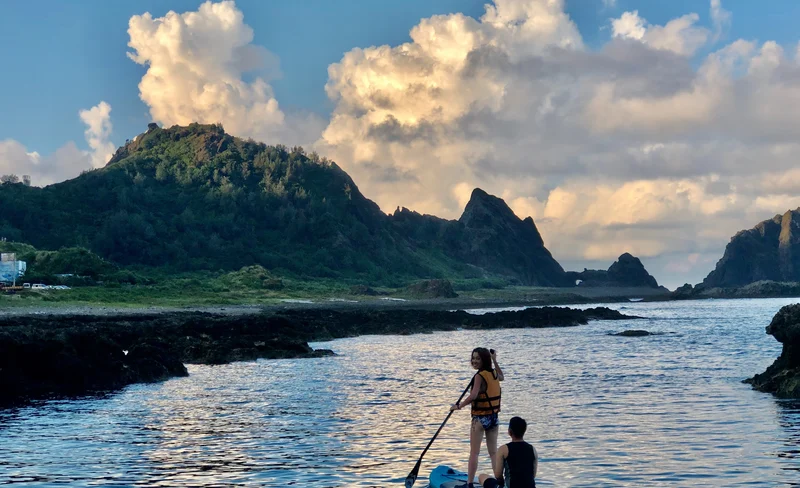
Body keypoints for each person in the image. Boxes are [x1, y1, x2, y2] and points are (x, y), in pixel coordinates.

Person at [450, 347, 504, 487]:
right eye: (473, 358)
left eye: (478, 358)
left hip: (480, 419)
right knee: (493, 453)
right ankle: (499, 481)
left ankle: (469, 484)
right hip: (493, 418)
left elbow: (473, 396)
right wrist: (495, 361)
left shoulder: (479, 377)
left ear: (484, 360)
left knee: (474, 453)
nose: (474, 361)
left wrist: (459, 406)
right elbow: (502, 376)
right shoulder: (493, 373)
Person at [477, 416, 538, 488]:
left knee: (482, 477)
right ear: (524, 431)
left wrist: (501, 483)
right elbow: (533, 475)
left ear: (509, 431)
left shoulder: (504, 449)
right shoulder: (533, 449)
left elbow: (498, 475)